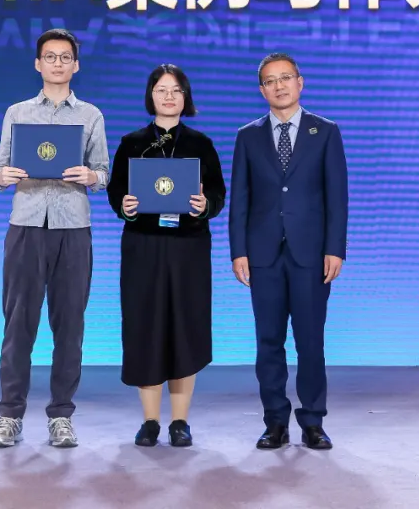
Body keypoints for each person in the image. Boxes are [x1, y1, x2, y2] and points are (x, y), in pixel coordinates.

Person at [0, 28, 110, 449]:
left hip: (73, 229)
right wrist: (3, 176)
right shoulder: (17, 112)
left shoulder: (91, 115)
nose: (58, 63)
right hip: (25, 226)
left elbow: (104, 173)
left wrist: (91, 176)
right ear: (38, 64)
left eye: (65, 57)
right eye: (50, 57)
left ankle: (61, 415)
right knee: (18, 325)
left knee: (70, 325)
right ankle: (9, 415)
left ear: (76, 65)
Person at [229, 52, 349, 451]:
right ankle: (275, 422)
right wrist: (238, 251)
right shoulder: (248, 136)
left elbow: (337, 196)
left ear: (300, 82)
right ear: (261, 90)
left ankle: (313, 421)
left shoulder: (325, 131)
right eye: (270, 81)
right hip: (262, 254)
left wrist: (335, 248)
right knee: (269, 341)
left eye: (285, 78)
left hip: (311, 254)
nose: (278, 86)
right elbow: (240, 199)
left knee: (310, 341)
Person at [106, 64, 226, 448]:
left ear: (185, 97)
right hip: (143, 246)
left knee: (185, 328)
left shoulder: (201, 144)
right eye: (162, 90)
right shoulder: (131, 143)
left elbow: (218, 194)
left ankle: (180, 421)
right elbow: (115, 192)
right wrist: (124, 205)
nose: (169, 96)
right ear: (151, 96)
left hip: (188, 247)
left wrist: (205, 205)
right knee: (145, 326)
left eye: (176, 90)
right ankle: (149, 422)